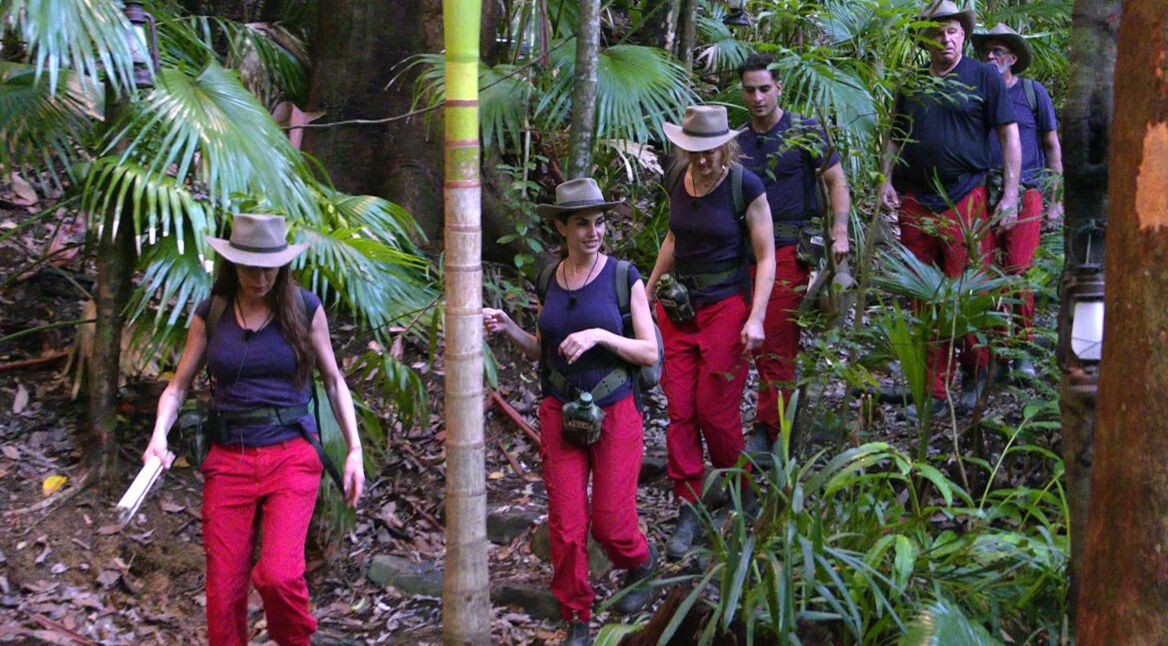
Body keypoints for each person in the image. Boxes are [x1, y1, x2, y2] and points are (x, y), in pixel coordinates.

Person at [141, 213, 365, 646]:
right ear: (233, 264)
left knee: (279, 576)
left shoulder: (304, 308)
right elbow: (177, 388)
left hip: (292, 454)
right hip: (228, 460)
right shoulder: (212, 313)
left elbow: (334, 381)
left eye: (270, 268)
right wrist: (158, 437)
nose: (261, 278)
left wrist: (354, 449)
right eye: (250, 268)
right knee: (223, 592)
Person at [483, 178, 659, 646]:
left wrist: (600, 336)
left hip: (615, 407)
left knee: (611, 523)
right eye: (582, 224)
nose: (593, 232)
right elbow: (543, 349)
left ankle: (641, 562)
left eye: (599, 223)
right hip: (560, 410)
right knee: (565, 525)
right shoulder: (549, 278)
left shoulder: (623, 277)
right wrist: (508, 328)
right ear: (562, 227)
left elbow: (649, 351)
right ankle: (576, 613)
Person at [878, 0, 1021, 416]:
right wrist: (884, 179)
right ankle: (934, 391)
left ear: (963, 35)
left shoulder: (984, 76)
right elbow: (895, 136)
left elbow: (1009, 136)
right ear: (925, 39)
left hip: (966, 195)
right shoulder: (912, 82)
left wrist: (1011, 195)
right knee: (922, 297)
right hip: (915, 198)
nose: (946, 39)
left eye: (954, 31)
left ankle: (976, 374)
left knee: (967, 290)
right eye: (938, 33)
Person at [646, 104, 775, 560]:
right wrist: (648, 291)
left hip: (725, 308)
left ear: (726, 146)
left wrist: (756, 316)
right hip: (679, 310)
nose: (702, 159)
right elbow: (673, 237)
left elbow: (766, 256)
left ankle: (740, 490)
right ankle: (689, 503)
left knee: (715, 411)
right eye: (694, 150)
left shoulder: (745, 186)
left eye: (710, 150)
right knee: (680, 410)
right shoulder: (677, 179)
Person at [736, 53, 852, 454]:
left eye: (764, 89)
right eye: (750, 90)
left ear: (779, 88)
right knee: (745, 340)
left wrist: (840, 230)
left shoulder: (804, 130)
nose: (757, 98)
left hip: (789, 248)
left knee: (777, 337)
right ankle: (773, 419)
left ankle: (770, 430)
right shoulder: (737, 141)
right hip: (744, 252)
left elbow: (837, 180)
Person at [973, 23, 1064, 380]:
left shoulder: (1031, 92)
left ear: (1011, 58)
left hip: (1027, 191)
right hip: (983, 191)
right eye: (986, 51)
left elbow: (1052, 146)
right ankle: (997, 353)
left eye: (997, 51)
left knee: (1019, 270)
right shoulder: (976, 92)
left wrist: (1055, 200)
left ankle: (1022, 349)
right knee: (987, 272)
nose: (990, 56)